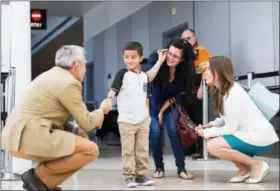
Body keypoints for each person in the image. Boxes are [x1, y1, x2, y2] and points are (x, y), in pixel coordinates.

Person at [1, 45, 111, 191]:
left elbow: (51, 115)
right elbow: (88, 122)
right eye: (84, 64)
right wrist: (102, 110)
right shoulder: (69, 83)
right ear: (76, 65)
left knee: (73, 145)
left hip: (16, 137)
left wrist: (76, 129)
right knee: (90, 149)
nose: (85, 69)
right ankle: (38, 178)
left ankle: (42, 182)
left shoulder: (50, 75)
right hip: (31, 136)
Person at [195, 56, 279, 184]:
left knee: (212, 145)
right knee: (213, 140)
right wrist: (211, 125)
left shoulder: (231, 94)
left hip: (258, 136)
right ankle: (244, 168)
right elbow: (227, 117)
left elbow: (230, 128)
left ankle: (256, 165)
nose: (204, 73)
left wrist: (205, 133)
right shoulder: (227, 90)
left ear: (218, 72)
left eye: (208, 69)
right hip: (251, 134)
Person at [145, 38, 196, 180]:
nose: (171, 58)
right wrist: (160, 61)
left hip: (168, 104)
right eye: (170, 53)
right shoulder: (156, 58)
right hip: (152, 102)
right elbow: (147, 80)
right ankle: (159, 168)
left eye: (175, 56)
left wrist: (162, 111)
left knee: (173, 130)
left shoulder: (184, 72)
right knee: (155, 132)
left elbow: (177, 95)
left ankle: (181, 168)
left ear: (182, 59)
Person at [107, 41, 154, 188]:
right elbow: (113, 89)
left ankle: (141, 175)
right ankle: (129, 176)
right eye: (126, 57)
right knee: (128, 150)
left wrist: (148, 116)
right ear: (123, 57)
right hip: (126, 120)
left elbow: (147, 97)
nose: (129, 60)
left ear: (140, 58)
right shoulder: (122, 74)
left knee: (142, 149)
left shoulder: (145, 77)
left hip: (143, 119)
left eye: (133, 57)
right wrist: (109, 100)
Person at [181, 29, 211, 159]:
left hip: (196, 91)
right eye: (184, 40)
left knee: (199, 120)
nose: (186, 42)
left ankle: (201, 149)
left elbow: (206, 71)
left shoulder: (201, 51)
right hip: (184, 92)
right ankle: (189, 148)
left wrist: (201, 89)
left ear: (195, 38)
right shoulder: (182, 54)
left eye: (188, 38)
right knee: (186, 121)